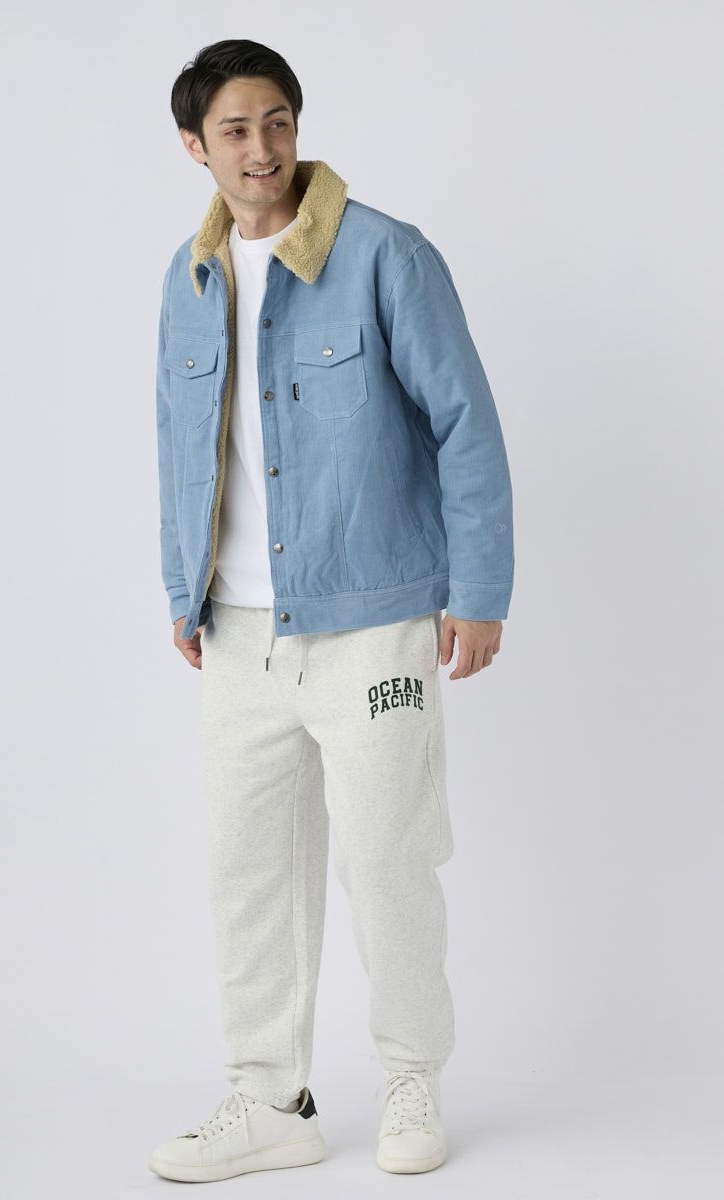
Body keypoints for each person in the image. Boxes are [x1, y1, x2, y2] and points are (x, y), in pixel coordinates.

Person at [148, 38, 514, 1183]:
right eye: (235, 130)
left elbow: (466, 424)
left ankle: (412, 1077)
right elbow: (177, 441)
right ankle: (270, 1099)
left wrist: (478, 592)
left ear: (297, 127)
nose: (261, 148)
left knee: (389, 859)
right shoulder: (191, 278)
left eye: (278, 122)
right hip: (238, 632)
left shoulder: (385, 255)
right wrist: (182, 585)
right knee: (249, 871)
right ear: (195, 147)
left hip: (374, 621)